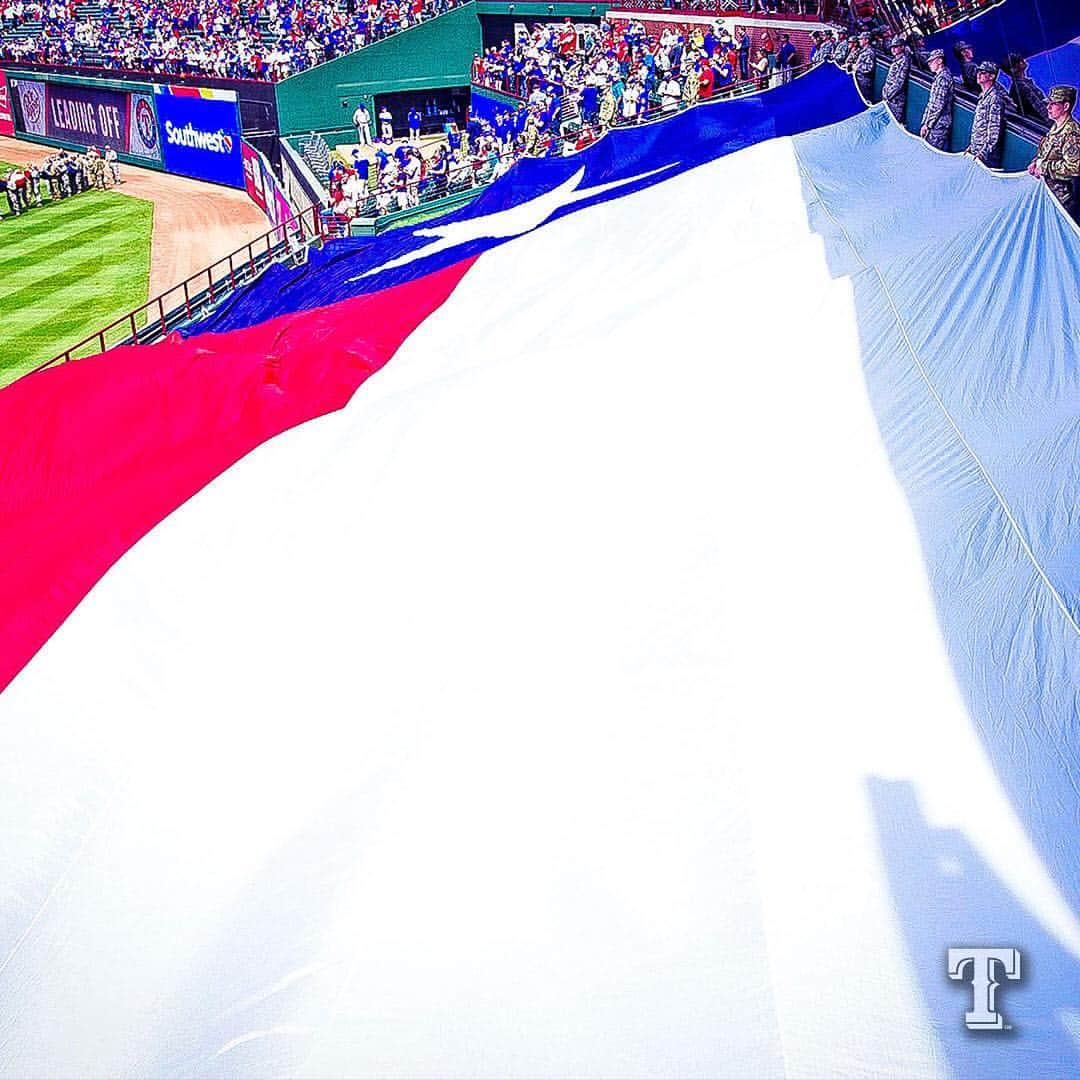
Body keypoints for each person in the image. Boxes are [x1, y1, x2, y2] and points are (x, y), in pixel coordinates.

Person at [1028, 85, 1080, 220]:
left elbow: (1074, 167)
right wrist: (1035, 162)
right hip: (1047, 192)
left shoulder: (1071, 133)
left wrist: (1044, 167)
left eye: (1054, 104)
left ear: (1066, 106)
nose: (1048, 108)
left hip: (1061, 199)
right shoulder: (1056, 126)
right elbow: (1046, 151)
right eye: (1048, 104)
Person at [968, 61, 1007, 169]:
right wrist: (972, 147)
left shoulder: (995, 98)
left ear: (992, 76)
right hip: (977, 151)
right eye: (978, 72)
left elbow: (993, 131)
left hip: (987, 156)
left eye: (983, 72)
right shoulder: (982, 96)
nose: (979, 75)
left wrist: (983, 153)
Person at [920, 49, 954, 151]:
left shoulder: (943, 78)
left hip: (938, 124)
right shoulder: (940, 77)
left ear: (939, 61)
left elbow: (938, 105)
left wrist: (928, 125)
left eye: (932, 61)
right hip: (935, 123)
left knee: (931, 152)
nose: (929, 64)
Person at [1004, 53, 1049, 124]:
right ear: (1013, 69)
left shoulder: (1025, 84)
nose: (1023, 61)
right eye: (1018, 61)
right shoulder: (1021, 87)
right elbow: (1039, 109)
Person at [882, 35, 911, 122]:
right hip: (889, 97)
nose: (893, 49)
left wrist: (887, 96)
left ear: (902, 47)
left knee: (894, 121)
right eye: (892, 47)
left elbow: (899, 83)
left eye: (896, 47)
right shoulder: (896, 60)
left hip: (896, 99)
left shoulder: (903, 61)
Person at [853, 31, 876, 104]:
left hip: (864, 82)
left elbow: (869, 68)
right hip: (859, 80)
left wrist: (856, 67)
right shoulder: (863, 51)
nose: (859, 41)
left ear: (866, 40)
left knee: (865, 101)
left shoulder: (870, 52)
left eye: (861, 39)